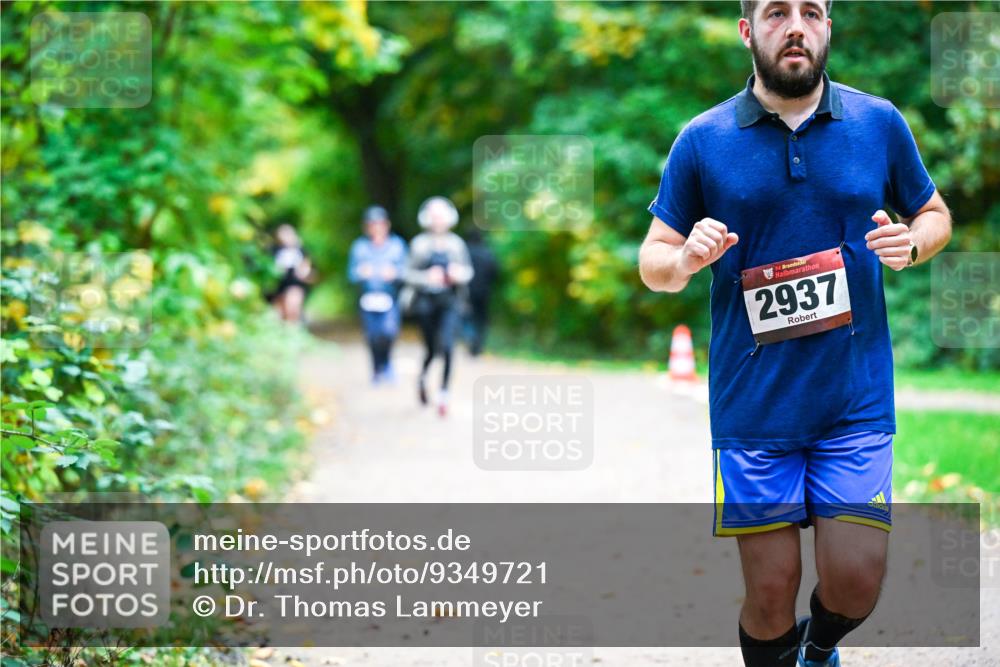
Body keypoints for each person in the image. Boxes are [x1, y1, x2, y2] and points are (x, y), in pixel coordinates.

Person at [637, 2, 952, 666]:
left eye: (812, 11)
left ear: (828, 28)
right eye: (777, 12)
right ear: (748, 30)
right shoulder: (704, 137)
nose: (796, 25)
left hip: (854, 398)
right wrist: (686, 258)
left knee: (857, 581)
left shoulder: (878, 123)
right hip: (754, 408)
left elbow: (933, 212)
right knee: (772, 590)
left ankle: (818, 649)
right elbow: (652, 263)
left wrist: (914, 245)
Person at [405, 196, 474, 417]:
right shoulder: (419, 244)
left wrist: (457, 275)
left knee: (447, 346)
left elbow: (468, 271)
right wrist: (427, 277)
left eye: (441, 216)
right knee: (431, 349)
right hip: (426, 303)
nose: (438, 221)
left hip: (450, 302)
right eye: (434, 217)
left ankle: (444, 393)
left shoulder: (456, 244)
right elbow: (406, 274)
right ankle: (423, 378)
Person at [348, 206, 408, 384]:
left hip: (390, 298)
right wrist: (361, 273)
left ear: (387, 225)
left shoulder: (397, 246)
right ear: (366, 227)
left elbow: (406, 271)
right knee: (372, 336)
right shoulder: (359, 247)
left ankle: (387, 363)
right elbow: (351, 274)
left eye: (379, 224)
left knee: (389, 332)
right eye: (372, 224)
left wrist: (394, 273)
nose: (376, 228)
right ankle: (376, 368)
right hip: (368, 299)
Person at [463, 227, 499, 356]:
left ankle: (471, 338)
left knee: (467, 317)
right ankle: (478, 344)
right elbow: (495, 272)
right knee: (481, 319)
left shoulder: (465, 252)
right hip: (484, 291)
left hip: (467, 292)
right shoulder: (487, 253)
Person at [270, 223, 314, 323]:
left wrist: (305, 272)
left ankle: (294, 329)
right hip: (279, 285)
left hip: (295, 283)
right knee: (281, 314)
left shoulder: (301, 251)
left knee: (292, 309)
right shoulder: (274, 250)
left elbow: (310, 268)